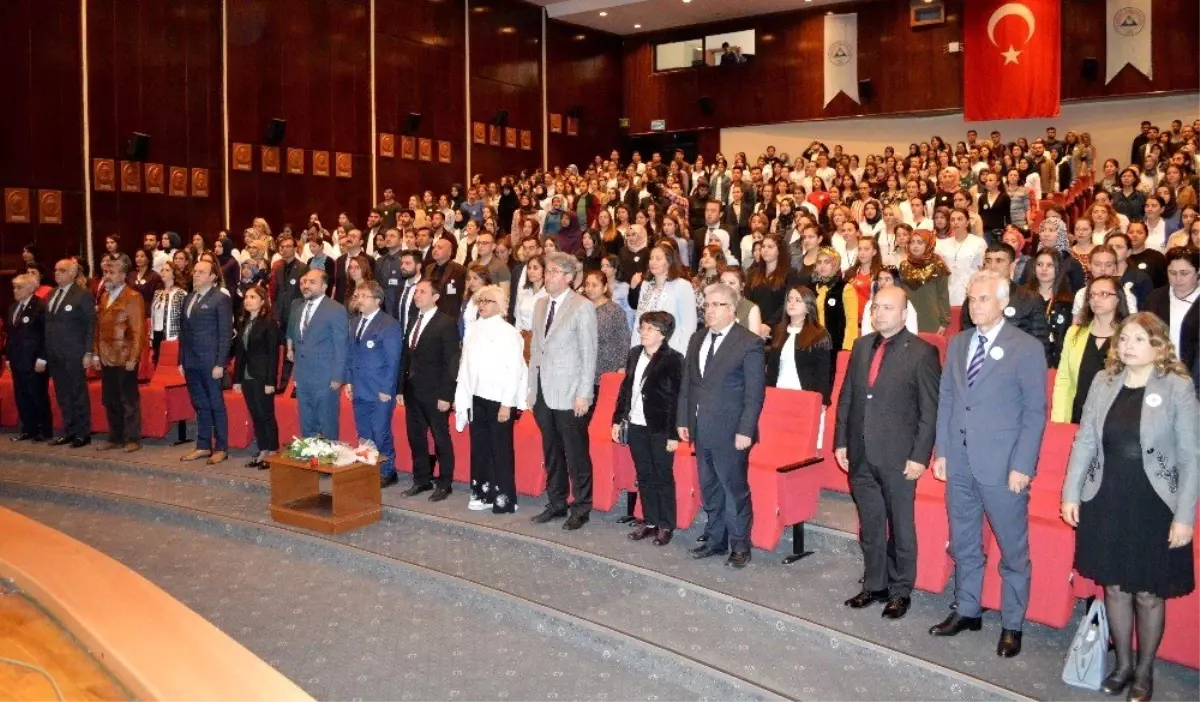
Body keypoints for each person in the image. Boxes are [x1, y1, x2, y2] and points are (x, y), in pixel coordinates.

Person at [1061, 312, 1198, 700]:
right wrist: (1071, 493)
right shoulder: (1104, 382)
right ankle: (1121, 665)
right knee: (1115, 587)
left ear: (1158, 346)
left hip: (1153, 501)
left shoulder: (1177, 386)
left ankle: (1144, 670)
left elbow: (1191, 455)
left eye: (1137, 340)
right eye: (1124, 339)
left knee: (1148, 593)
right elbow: (1085, 440)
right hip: (1107, 496)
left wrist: (1184, 516)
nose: (1127, 346)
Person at [930, 270, 1047, 658]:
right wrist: (942, 452)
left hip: (1004, 467)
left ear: (1002, 302)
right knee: (964, 542)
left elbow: (1035, 412)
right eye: (971, 298)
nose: (974, 305)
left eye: (983, 299)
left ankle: (1012, 624)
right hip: (960, 462)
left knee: (1013, 551)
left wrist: (1023, 465)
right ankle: (967, 609)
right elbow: (948, 399)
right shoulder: (960, 343)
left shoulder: (1026, 347)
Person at [835, 286, 940, 619]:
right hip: (861, 452)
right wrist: (841, 441)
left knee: (901, 525)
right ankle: (875, 584)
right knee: (872, 524)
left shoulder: (923, 352)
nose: (879, 313)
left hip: (898, 456)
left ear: (904, 314)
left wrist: (920, 456)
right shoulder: (862, 345)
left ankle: (900, 590)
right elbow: (848, 399)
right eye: (876, 307)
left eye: (888, 308)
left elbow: (930, 410)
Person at [678, 282, 765, 568]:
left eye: (718, 305)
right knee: (709, 486)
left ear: (733, 309)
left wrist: (746, 430)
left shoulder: (748, 342)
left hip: (731, 431)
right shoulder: (697, 338)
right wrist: (683, 419)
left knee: (733, 488)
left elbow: (754, 394)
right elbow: (688, 384)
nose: (710, 311)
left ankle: (740, 545)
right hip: (701, 427)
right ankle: (716, 540)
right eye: (707, 305)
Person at [527, 253, 598, 530]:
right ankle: (556, 502)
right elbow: (535, 349)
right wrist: (531, 388)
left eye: (555, 272)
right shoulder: (541, 304)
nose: (549, 276)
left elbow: (588, 353)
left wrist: (584, 393)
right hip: (543, 390)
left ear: (569, 277)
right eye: (548, 271)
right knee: (552, 450)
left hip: (571, 393)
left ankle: (581, 507)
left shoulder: (582, 306)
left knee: (575, 452)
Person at [612, 311, 684, 545]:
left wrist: (674, 434)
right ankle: (650, 521)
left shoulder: (673, 359)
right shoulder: (634, 354)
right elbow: (625, 390)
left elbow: (677, 398)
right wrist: (617, 420)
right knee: (644, 474)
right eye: (642, 327)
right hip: (635, 424)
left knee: (662, 476)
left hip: (660, 427)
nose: (643, 331)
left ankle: (666, 524)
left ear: (663, 334)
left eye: (650, 328)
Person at [453, 284, 526, 512]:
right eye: (480, 301)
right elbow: (465, 365)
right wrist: (461, 397)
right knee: (479, 447)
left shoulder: (509, 332)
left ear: (500, 305)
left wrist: (507, 403)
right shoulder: (473, 329)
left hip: (499, 400)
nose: (482, 305)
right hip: (476, 397)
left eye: (488, 301)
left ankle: (504, 499)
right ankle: (481, 493)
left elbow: (515, 369)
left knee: (500, 449)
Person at [400, 280, 460, 501]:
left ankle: (445, 483)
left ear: (435, 297)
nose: (417, 295)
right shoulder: (413, 320)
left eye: (422, 292)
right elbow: (405, 357)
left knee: (440, 437)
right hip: (412, 390)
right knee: (416, 437)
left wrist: (447, 394)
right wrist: (400, 388)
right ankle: (422, 479)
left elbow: (451, 362)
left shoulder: (446, 322)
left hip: (436, 393)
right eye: (416, 292)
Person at [344, 280, 403, 487]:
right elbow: (350, 355)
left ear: (377, 301)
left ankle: (388, 471)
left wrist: (387, 389)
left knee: (380, 431)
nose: (358, 300)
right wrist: (349, 381)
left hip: (379, 390)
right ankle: (368, 469)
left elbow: (393, 359)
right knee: (364, 432)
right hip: (359, 387)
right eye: (357, 296)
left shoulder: (389, 324)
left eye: (363, 296)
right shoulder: (354, 322)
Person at [1053, 276, 1130, 423]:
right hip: (1079, 415)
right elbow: (1064, 380)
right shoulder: (1074, 333)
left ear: (1118, 299)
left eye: (1104, 294)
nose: (1096, 299)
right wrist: (1059, 421)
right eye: (1092, 295)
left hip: (1115, 418)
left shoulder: (1128, 336)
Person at [178, 260, 233, 464]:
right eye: (195, 271)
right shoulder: (189, 297)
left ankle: (221, 447)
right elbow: (183, 332)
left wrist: (221, 363)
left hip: (211, 361)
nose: (196, 275)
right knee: (200, 404)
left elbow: (225, 334)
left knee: (216, 404)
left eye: (202, 272)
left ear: (213, 277)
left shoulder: (220, 298)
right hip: (191, 360)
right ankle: (203, 445)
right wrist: (181, 360)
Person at [961, 243, 1050, 362]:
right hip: (981, 364)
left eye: (999, 261)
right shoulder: (973, 298)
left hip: (1018, 364)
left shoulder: (1030, 299)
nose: (992, 266)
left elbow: (1040, 345)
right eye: (988, 261)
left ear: (1012, 265)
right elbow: (967, 339)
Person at [288, 270, 348, 440]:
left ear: (324, 286)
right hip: (303, 376)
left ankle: (328, 463)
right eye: (305, 281)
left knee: (327, 424)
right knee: (307, 423)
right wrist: (296, 375)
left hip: (326, 377)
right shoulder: (299, 309)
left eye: (312, 282)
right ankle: (311, 461)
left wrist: (338, 376)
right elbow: (299, 344)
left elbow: (341, 345)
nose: (306, 285)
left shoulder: (336, 309)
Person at [93, 255, 145, 452]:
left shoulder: (133, 297)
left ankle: (132, 438)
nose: (108, 276)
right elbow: (98, 329)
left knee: (128, 400)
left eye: (112, 272)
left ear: (123, 275)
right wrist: (97, 354)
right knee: (110, 399)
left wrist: (134, 357)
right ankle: (115, 437)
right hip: (106, 357)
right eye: (106, 272)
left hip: (124, 356)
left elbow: (139, 330)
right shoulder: (104, 297)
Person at [44, 259, 96, 448]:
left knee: (77, 392)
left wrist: (89, 352)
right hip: (55, 352)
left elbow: (91, 325)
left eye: (62, 270)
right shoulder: (51, 294)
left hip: (75, 352)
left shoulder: (82, 295)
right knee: (62, 393)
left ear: (73, 274)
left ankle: (83, 433)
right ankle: (70, 430)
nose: (57, 273)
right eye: (56, 270)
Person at [765, 285, 833, 407]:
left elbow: (823, 372)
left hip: (805, 396)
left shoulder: (819, 334)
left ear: (808, 307)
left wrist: (823, 401)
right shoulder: (778, 331)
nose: (791, 303)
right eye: (789, 299)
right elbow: (772, 368)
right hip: (779, 393)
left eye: (798, 300)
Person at [5, 274, 52, 441]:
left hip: (35, 360)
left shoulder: (40, 306)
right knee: (22, 395)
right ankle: (28, 428)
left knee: (37, 394)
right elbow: (10, 335)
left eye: (19, 287)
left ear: (31, 288)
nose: (15, 291)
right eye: (14, 287)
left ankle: (44, 430)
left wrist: (43, 358)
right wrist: (8, 357)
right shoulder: (13, 308)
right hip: (18, 359)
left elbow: (47, 334)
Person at [629, 242, 696, 355]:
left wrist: (681, 354)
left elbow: (689, 325)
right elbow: (638, 321)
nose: (653, 262)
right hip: (645, 350)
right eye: (651, 258)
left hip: (671, 350)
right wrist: (634, 351)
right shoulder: (646, 285)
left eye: (658, 258)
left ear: (669, 262)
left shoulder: (682, 285)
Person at [1145, 247, 1200, 374]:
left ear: (1198, 271)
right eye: (1172, 273)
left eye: (1184, 273)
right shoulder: (1156, 297)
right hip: (1159, 370)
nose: (1178, 278)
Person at [1023, 249, 1075, 368]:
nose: (1043, 269)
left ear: (1058, 268)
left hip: (1054, 360)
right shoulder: (1021, 296)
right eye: (1039, 264)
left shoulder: (1067, 301)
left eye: (1050, 265)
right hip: (1024, 357)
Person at [900, 229, 951, 333]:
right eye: (912, 242)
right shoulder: (904, 265)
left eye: (920, 242)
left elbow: (943, 295)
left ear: (928, 244)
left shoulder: (938, 265)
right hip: (908, 318)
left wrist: (944, 322)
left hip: (931, 318)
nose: (915, 246)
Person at [935, 209, 987, 307]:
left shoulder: (978, 243)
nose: (956, 222)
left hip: (971, 291)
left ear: (967, 222)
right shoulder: (943, 245)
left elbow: (982, 270)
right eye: (952, 220)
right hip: (949, 292)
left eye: (960, 219)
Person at [862, 266, 919, 335]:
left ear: (895, 282)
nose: (882, 283)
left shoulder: (906, 304)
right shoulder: (870, 304)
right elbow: (865, 331)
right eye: (880, 279)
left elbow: (912, 332)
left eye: (887, 279)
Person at [424, 238, 469, 319]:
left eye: (440, 247)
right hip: (430, 312)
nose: (435, 250)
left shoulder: (460, 270)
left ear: (449, 252)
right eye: (434, 247)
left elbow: (462, 295)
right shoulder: (429, 268)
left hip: (449, 314)